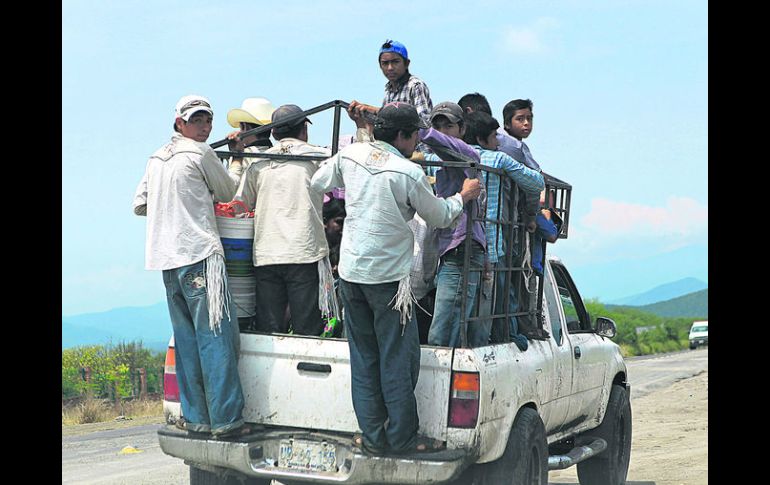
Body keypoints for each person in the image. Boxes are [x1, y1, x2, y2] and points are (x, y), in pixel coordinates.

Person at [310, 101, 481, 455]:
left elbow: (318, 181)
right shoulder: (408, 172)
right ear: (402, 135)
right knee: (396, 359)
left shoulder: (351, 155)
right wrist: (462, 197)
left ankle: (373, 436)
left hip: (351, 274)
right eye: (415, 134)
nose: (418, 141)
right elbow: (439, 216)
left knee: (364, 358)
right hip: (388, 280)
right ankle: (402, 437)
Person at [132, 95, 248, 439]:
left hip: (166, 261)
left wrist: (173, 203)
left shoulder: (157, 158)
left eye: (207, 120)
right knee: (216, 339)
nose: (204, 126)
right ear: (180, 123)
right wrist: (236, 158)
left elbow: (140, 204)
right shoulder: (201, 153)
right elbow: (228, 191)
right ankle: (226, 420)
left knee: (187, 343)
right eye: (197, 120)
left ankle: (197, 419)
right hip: (199, 255)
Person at [233, 104, 333, 336]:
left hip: (266, 253)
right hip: (304, 252)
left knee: (269, 329)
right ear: (304, 130)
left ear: (274, 133)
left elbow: (240, 205)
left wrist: (236, 158)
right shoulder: (318, 157)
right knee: (307, 329)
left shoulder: (258, 162)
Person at [462, 111, 545, 350]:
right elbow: (537, 182)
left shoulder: (450, 155)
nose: (498, 142)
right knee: (491, 307)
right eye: (494, 137)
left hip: (454, 246)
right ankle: (502, 337)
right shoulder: (498, 159)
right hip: (491, 245)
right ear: (482, 139)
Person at [417, 102, 491, 348]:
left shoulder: (468, 156)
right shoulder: (443, 167)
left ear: (462, 129)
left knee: (442, 334)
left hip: (462, 249)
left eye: (448, 126)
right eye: (437, 126)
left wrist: (412, 125)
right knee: (446, 329)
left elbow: (439, 142)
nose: (442, 131)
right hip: (451, 249)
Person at [224, 97, 276, 184]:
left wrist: (236, 157)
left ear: (245, 126)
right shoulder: (279, 155)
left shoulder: (242, 158)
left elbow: (230, 187)